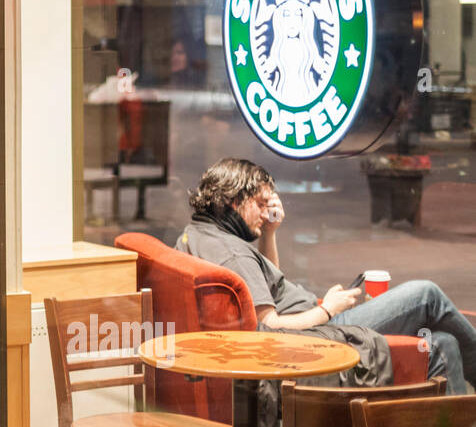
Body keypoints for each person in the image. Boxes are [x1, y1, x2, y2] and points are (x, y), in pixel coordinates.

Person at [178, 158, 476, 397]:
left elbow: (268, 287)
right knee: (426, 295)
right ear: (233, 200)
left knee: (443, 342)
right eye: (260, 203)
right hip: (318, 334)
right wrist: (327, 309)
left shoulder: (201, 233)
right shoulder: (234, 254)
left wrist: (269, 232)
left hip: (312, 322)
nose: (267, 211)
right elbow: (270, 328)